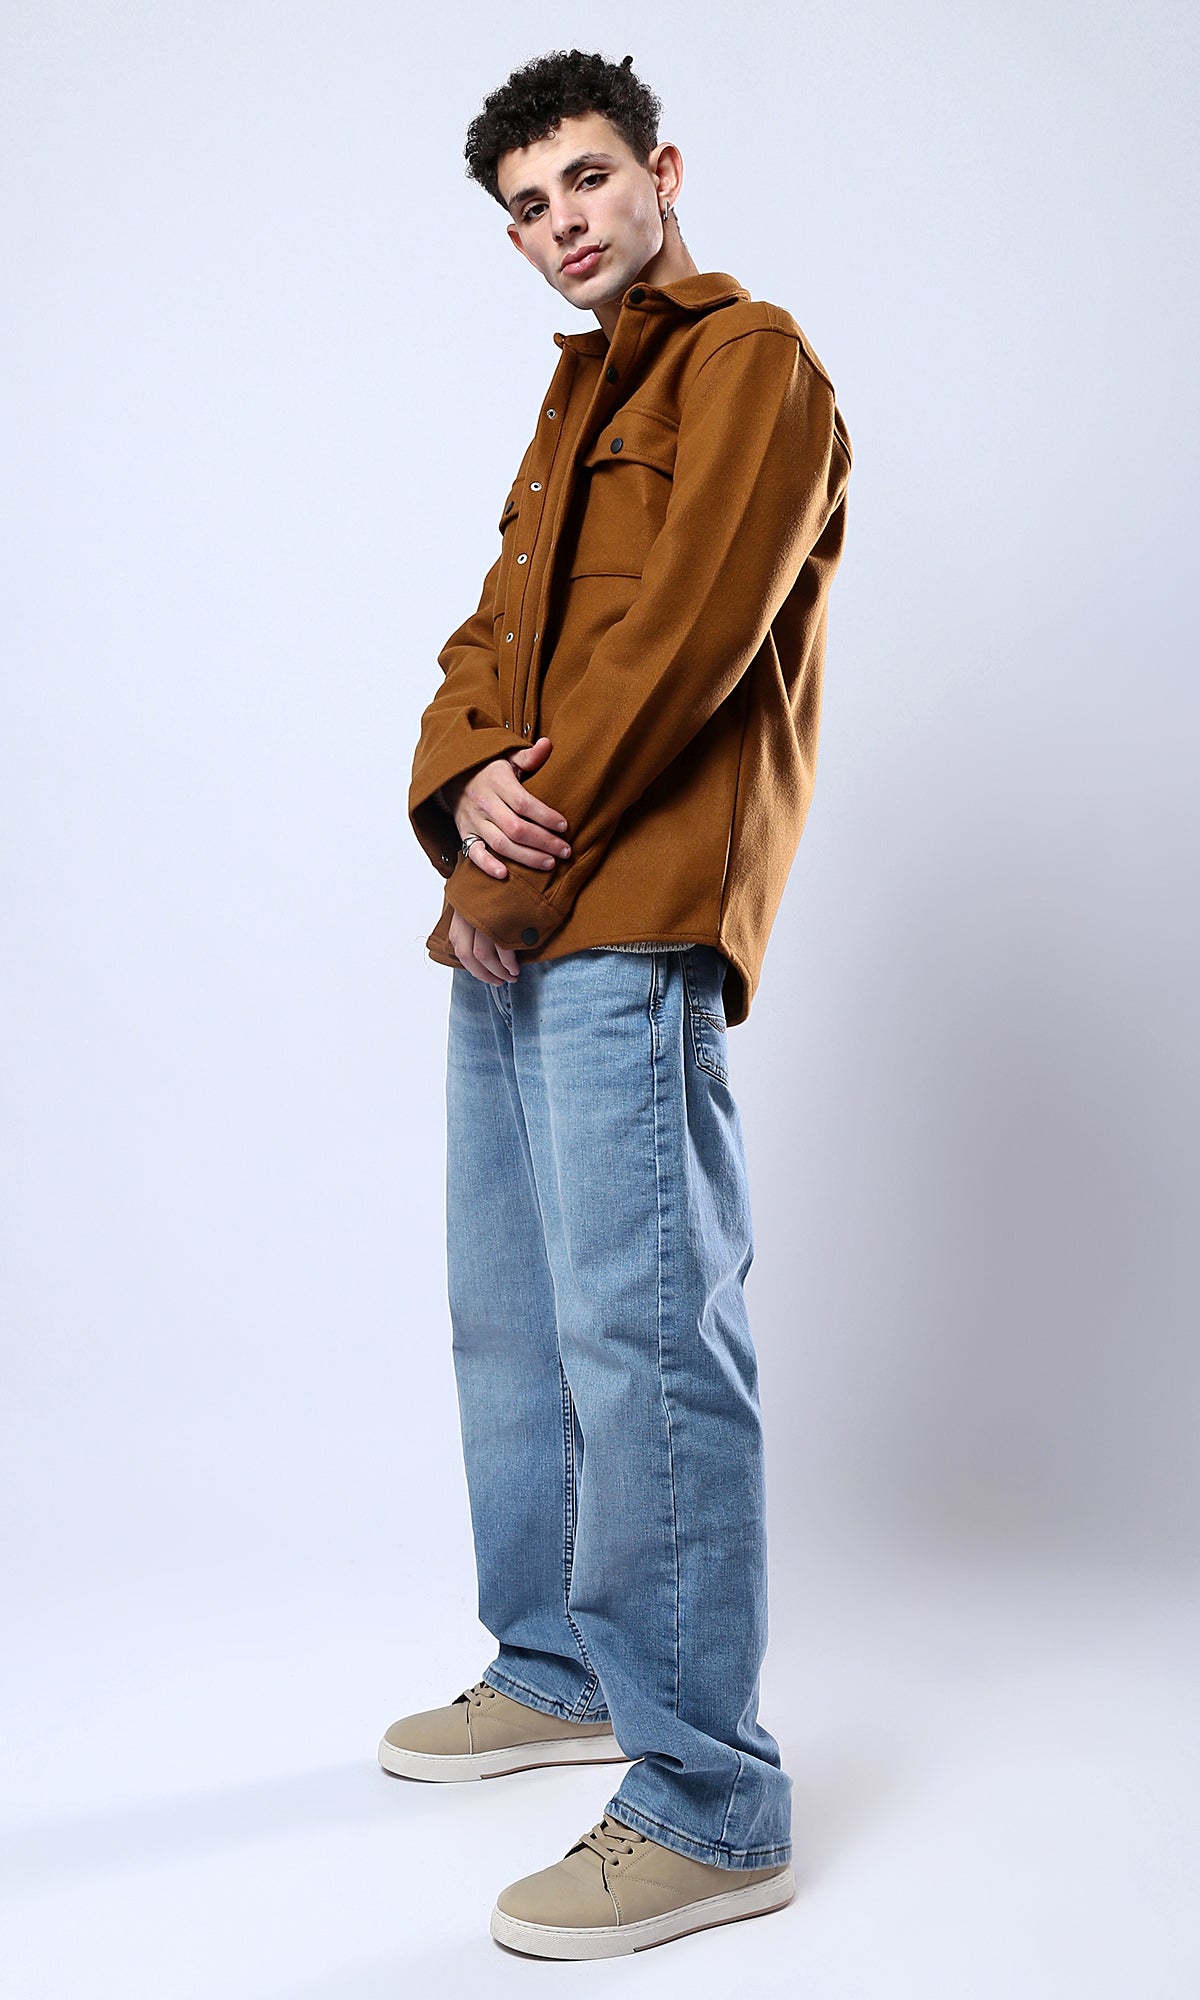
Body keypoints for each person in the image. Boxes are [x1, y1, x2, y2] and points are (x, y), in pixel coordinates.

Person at [380, 48, 852, 1960]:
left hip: (629, 915)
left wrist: (499, 874)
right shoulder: (575, 400)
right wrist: (455, 794)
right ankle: (559, 1665)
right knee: (515, 1321)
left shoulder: (753, 365)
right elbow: (492, 644)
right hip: (518, 918)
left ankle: (711, 1803)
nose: (560, 222)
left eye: (583, 179)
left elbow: (682, 647)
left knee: (648, 1341)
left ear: (661, 168)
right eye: (526, 207)